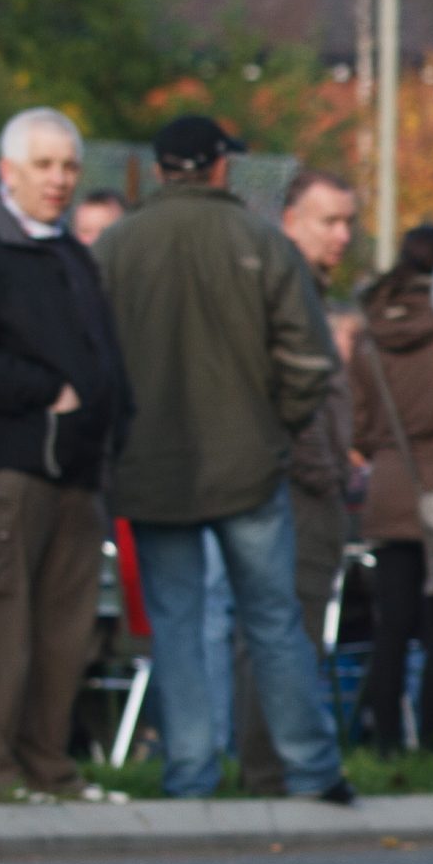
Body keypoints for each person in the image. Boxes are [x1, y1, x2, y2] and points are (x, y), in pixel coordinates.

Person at [99, 115, 350, 800]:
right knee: (274, 621)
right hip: (250, 465)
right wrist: (276, 429)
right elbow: (309, 360)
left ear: (157, 170)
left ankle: (189, 772)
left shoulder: (116, 247)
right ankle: (310, 767)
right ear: (217, 168)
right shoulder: (260, 241)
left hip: (151, 468)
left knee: (177, 627)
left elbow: (95, 363)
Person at [0, 109, 132, 799]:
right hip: (13, 466)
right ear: (9, 171)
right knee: (0, 630)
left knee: (65, 633)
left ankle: (50, 765)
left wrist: (112, 412)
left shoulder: (73, 253)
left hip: (79, 470)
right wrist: (50, 391)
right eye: (43, 165)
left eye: (68, 165)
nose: (59, 179)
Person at [235, 168, 360, 796]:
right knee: (285, 631)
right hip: (297, 489)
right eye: (328, 221)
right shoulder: (285, 288)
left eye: (348, 222)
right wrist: (325, 473)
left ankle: (274, 766)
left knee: (284, 629)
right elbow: (294, 398)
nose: (342, 235)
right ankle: (272, 769)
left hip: (309, 483)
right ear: (291, 221)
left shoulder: (298, 284)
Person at [349, 223, 433, 754]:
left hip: (390, 482)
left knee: (390, 624)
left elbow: (356, 425)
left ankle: (386, 738)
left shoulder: (369, 332)